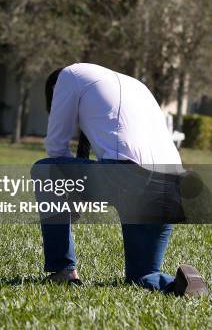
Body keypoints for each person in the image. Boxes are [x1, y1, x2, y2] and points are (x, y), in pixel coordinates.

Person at [34, 62, 208, 297]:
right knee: (143, 275)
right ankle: (183, 286)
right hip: (171, 180)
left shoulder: (68, 76)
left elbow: (56, 150)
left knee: (45, 170)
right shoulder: (134, 84)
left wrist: (71, 199)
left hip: (128, 175)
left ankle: (63, 269)